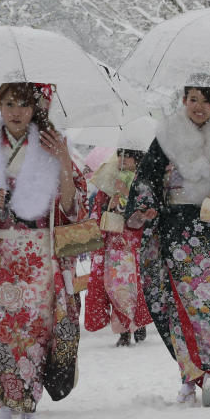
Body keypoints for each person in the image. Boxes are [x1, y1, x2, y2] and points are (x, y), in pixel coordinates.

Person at [0, 82, 85, 419]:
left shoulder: (51, 143)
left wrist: (65, 164)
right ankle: (1, 407)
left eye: (23, 105)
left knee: (33, 335)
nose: (15, 112)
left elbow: (72, 207)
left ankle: (28, 412)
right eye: (8, 103)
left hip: (39, 254)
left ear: (36, 108)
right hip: (0, 253)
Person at [124, 76, 210, 408]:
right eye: (193, 99)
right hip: (176, 231)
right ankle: (188, 377)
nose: (198, 107)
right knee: (180, 306)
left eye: (206, 101)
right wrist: (147, 205)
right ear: (184, 100)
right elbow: (147, 179)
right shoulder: (167, 137)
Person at [84, 148, 153, 347]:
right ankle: (123, 329)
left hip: (133, 241)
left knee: (133, 285)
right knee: (114, 285)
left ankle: (136, 323)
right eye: (120, 155)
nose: (122, 159)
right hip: (114, 241)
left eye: (127, 156)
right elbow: (98, 209)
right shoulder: (110, 177)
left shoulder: (144, 181)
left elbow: (145, 211)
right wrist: (109, 205)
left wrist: (126, 194)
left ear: (137, 159)